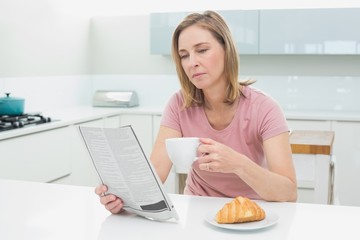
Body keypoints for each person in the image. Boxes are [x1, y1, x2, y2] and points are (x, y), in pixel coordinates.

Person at [95, 10, 297, 214]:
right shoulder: (178, 105)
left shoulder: (265, 108)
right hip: (197, 210)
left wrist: (237, 164)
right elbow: (155, 174)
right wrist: (123, 198)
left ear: (226, 50)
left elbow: (288, 192)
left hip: (249, 212)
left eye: (202, 50)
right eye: (184, 55)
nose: (192, 63)